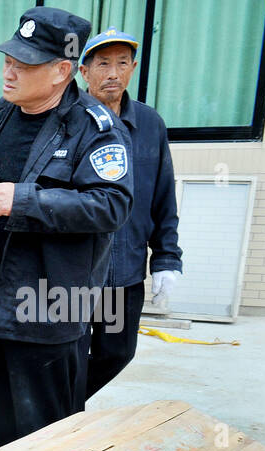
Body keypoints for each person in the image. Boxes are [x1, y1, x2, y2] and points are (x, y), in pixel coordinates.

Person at [0, 7, 133, 450]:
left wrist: (25, 200)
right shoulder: (1, 117)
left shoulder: (96, 128)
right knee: (1, 423)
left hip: (49, 303)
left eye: (23, 65)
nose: (8, 73)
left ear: (62, 70)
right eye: (8, 61)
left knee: (47, 434)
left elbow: (111, 205)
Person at [79, 28, 182, 398]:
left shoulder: (150, 124)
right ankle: (61, 419)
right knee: (67, 354)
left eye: (123, 63)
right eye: (103, 63)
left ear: (134, 68)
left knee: (117, 352)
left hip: (123, 273)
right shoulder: (69, 120)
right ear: (83, 71)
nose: (113, 73)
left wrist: (166, 259)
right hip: (74, 271)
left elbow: (163, 197)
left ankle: (61, 408)